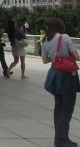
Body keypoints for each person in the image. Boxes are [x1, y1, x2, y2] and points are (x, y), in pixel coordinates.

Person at [41, 18, 80, 147]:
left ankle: (60, 138)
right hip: (67, 76)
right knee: (66, 110)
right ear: (60, 27)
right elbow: (76, 56)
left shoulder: (45, 41)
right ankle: (61, 140)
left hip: (55, 76)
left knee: (58, 107)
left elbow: (45, 60)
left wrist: (56, 56)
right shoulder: (64, 37)